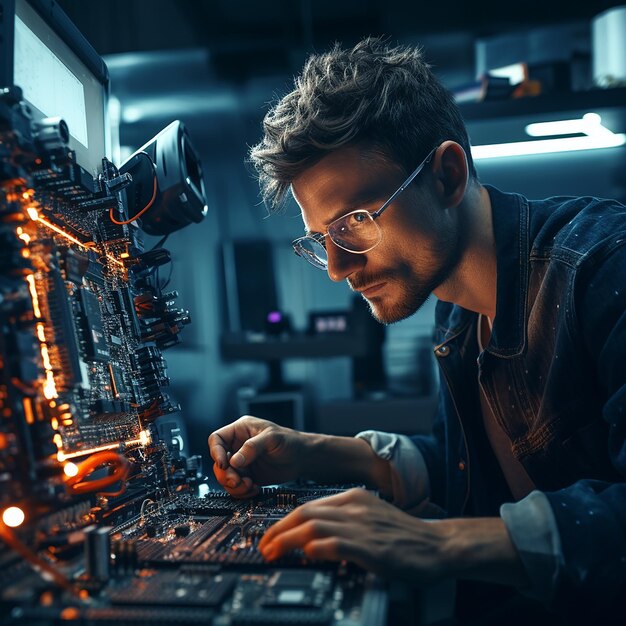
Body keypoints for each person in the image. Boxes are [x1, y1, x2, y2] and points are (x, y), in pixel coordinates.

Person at [208, 37, 626, 623]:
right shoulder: (455, 311)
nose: (336, 267)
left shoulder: (605, 264)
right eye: (320, 238)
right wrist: (315, 453)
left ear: (447, 176)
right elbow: (463, 466)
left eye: (355, 221)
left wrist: (435, 543)